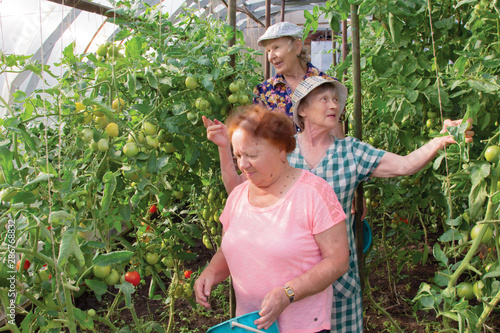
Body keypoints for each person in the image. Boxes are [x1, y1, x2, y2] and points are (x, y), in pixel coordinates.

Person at [202, 76, 474, 332]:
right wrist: (224, 149)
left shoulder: (351, 151)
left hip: (336, 275)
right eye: (324, 99)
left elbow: (404, 165)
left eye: (336, 100)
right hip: (280, 276)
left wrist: (438, 141)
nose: (334, 105)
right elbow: (240, 196)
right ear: (303, 110)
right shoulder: (279, 148)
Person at [194, 105, 350, 333]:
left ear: (280, 149)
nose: (243, 164)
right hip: (250, 326)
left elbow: (337, 260)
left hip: (304, 328)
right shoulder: (238, 196)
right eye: (238, 155)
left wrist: (288, 292)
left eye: (252, 155)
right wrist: (210, 272)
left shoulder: (314, 194)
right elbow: (230, 251)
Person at [253, 21, 345, 139]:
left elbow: (336, 135)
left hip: (321, 156)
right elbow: (260, 140)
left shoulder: (326, 85)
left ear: (297, 47)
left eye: (276, 48)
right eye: (268, 51)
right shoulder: (264, 92)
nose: (271, 57)